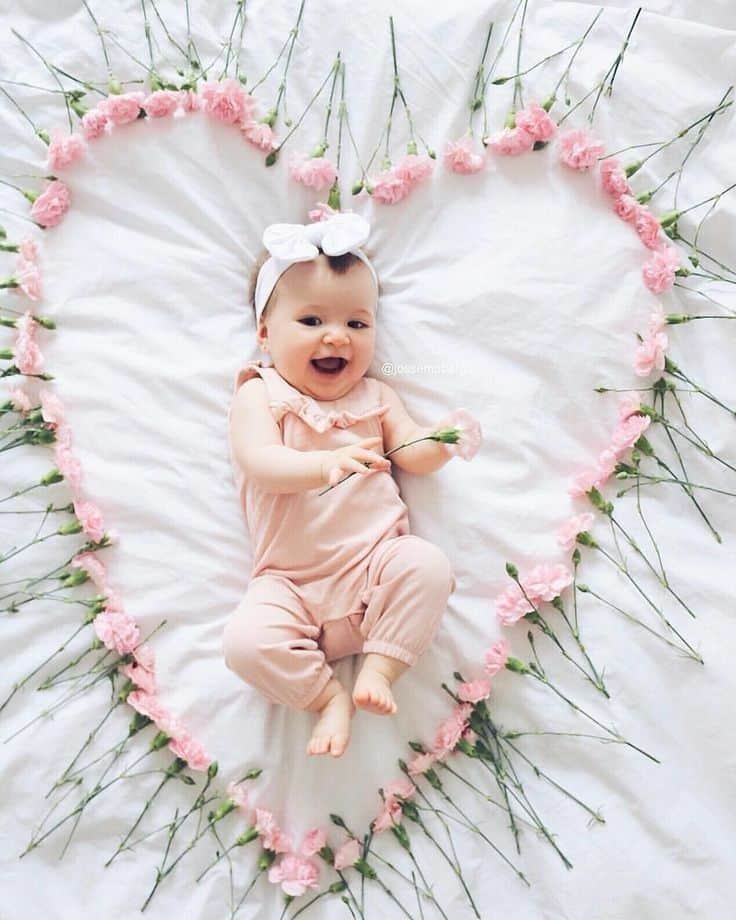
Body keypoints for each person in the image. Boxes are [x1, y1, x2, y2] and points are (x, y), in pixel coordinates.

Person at [223, 211, 481, 758]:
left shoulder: (376, 397)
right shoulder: (260, 393)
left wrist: (442, 440)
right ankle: (324, 699)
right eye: (312, 321)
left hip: (374, 572)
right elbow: (259, 461)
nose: (336, 336)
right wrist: (324, 465)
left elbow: (410, 453)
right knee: (245, 645)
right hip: (290, 585)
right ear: (265, 335)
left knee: (428, 565)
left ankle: (380, 668)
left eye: (357, 325)